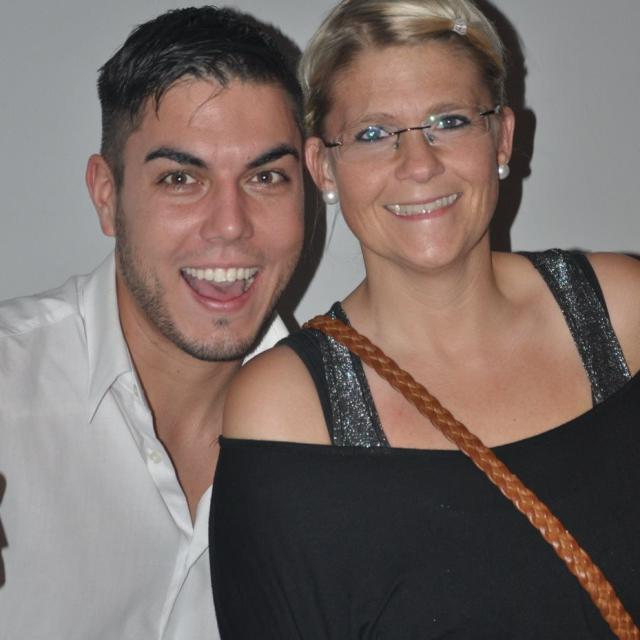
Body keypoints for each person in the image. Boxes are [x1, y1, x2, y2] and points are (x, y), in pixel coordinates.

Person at [211, 0, 640, 637]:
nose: (419, 163)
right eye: (373, 134)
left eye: (449, 121)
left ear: (502, 138)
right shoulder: (288, 411)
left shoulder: (622, 315)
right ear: (323, 166)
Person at [0, 6, 304, 639]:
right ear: (106, 195)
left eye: (266, 176)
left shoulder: (345, 441)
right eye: (181, 178)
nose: (230, 225)